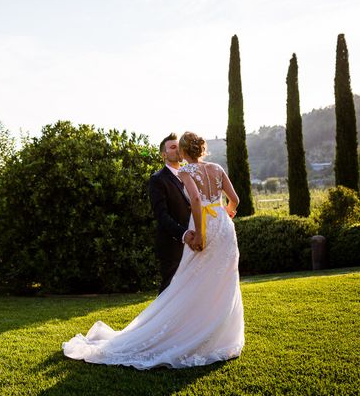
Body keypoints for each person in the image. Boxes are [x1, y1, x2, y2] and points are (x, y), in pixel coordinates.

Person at [62, 131, 244, 369]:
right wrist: (226, 213)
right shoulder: (216, 168)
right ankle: (216, 336)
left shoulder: (187, 171)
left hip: (206, 228)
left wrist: (200, 233)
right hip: (224, 229)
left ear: (184, 151)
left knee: (196, 280)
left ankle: (197, 334)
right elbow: (235, 200)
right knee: (220, 280)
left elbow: (197, 202)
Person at [147, 133, 196, 294]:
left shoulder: (188, 175)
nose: (178, 150)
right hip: (172, 245)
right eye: (173, 147)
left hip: (194, 243)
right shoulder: (158, 179)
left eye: (179, 146)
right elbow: (161, 215)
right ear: (164, 154)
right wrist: (183, 234)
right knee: (168, 292)